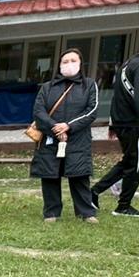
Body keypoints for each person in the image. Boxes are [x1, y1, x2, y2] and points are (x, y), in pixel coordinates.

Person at [30, 48, 99, 223]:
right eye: (65, 61)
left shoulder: (89, 85)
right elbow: (38, 111)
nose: (69, 64)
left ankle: (86, 212)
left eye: (73, 60)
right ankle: (51, 213)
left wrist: (69, 126)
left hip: (78, 138)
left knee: (79, 175)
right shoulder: (47, 87)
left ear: (81, 63)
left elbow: (92, 110)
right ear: (59, 65)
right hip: (50, 138)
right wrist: (55, 128)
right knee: (50, 175)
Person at [91, 29, 139, 218]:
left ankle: (93, 192)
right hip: (133, 124)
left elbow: (117, 96)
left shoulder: (128, 63)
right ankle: (123, 206)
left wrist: (113, 123)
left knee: (128, 162)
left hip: (122, 122)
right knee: (136, 165)